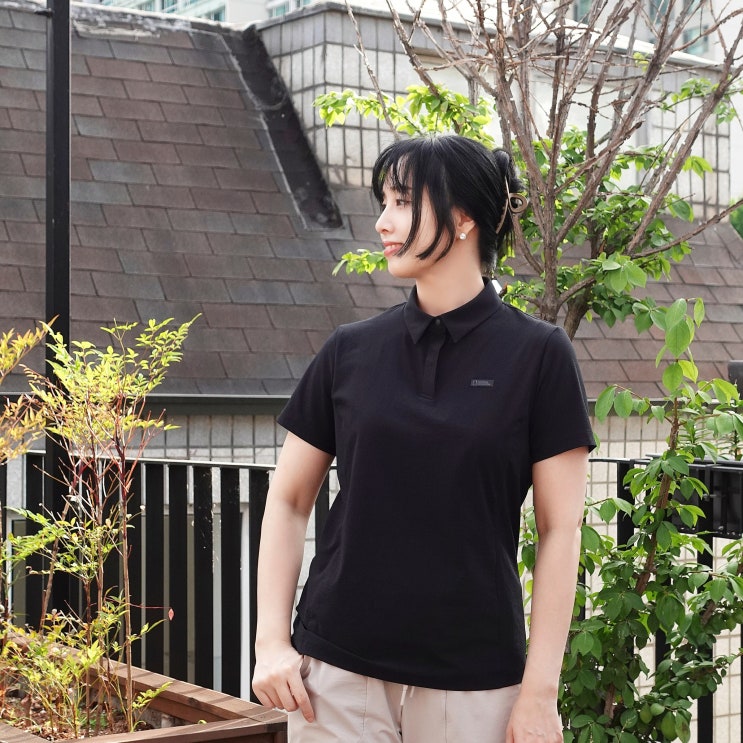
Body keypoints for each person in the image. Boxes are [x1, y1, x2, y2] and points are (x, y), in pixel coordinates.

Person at [251, 134, 595, 743]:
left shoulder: (540, 355)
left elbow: (559, 530)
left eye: (404, 201)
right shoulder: (350, 350)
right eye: (383, 202)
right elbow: (289, 499)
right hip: (334, 676)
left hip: (474, 684)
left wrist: (540, 693)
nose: (382, 222)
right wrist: (271, 642)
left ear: (463, 219)